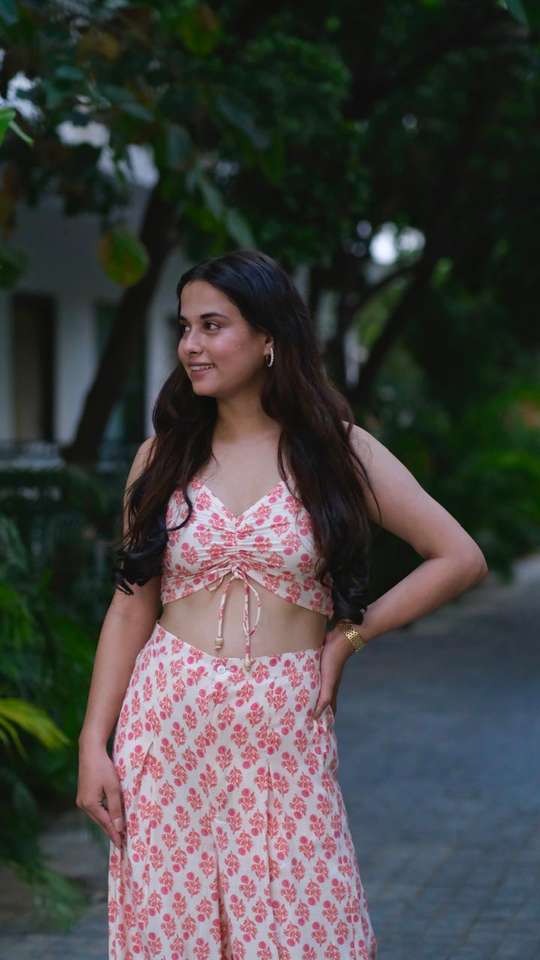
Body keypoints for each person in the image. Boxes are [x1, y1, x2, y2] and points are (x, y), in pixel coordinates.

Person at [76, 249, 488, 960]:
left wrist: (351, 635)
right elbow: (129, 608)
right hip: (166, 728)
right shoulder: (161, 457)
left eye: (213, 326)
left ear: (268, 337)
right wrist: (93, 743)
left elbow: (458, 557)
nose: (191, 345)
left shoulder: (336, 452)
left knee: (302, 927)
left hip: (282, 729)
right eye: (184, 327)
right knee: (175, 932)